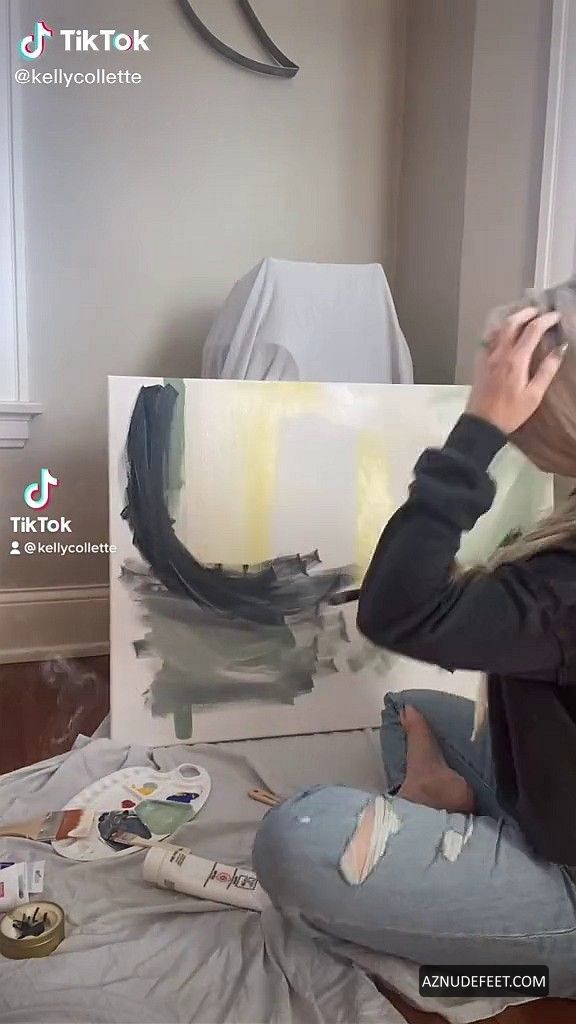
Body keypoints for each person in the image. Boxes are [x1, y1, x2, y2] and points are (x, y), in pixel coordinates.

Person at [253, 305, 576, 996]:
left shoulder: (563, 590)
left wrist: (479, 431)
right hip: (559, 806)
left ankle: (504, 961)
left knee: (296, 836)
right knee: (410, 708)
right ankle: (450, 803)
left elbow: (398, 610)